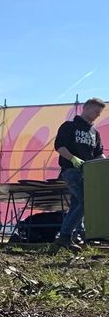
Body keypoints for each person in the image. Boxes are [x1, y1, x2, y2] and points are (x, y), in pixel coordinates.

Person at [52, 97, 105, 253]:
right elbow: (59, 146)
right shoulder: (69, 126)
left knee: (77, 205)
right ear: (86, 108)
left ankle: (74, 237)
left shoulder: (95, 133)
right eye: (96, 111)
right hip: (71, 171)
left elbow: (98, 154)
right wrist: (73, 158)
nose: (97, 115)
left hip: (89, 174)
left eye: (99, 113)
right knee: (86, 202)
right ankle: (65, 236)